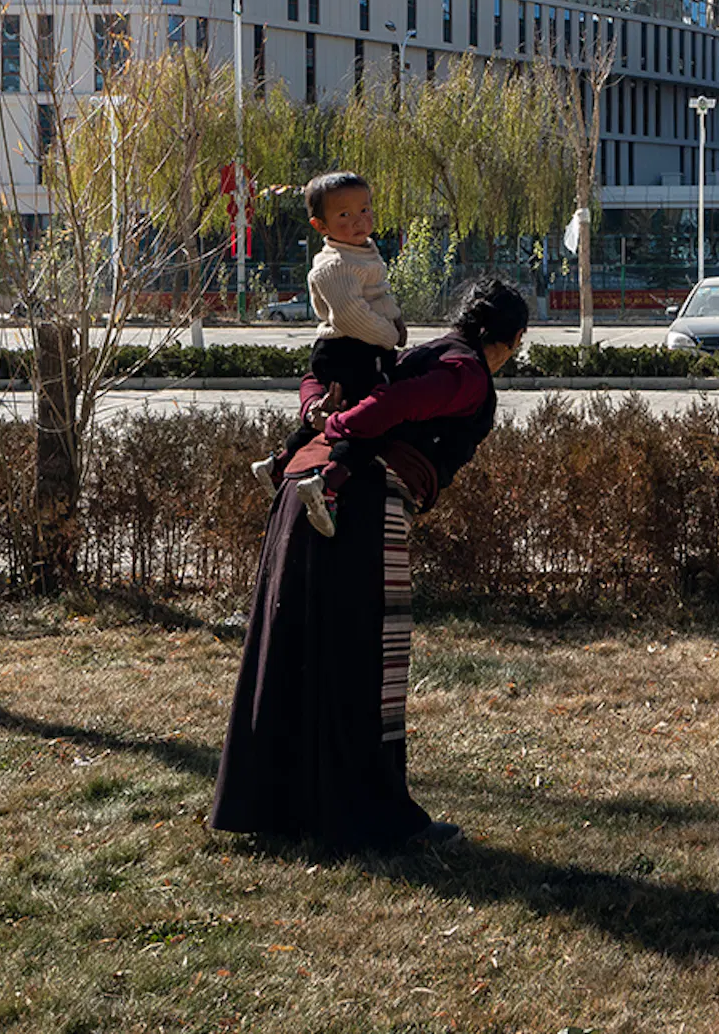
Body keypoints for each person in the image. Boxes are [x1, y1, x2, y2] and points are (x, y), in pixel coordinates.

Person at [208, 279, 528, 854]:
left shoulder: (412, 354)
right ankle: (373, 819)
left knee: (293, 652)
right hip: (362, 508)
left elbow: (325, 375)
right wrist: (341, 429)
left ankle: (275, 807)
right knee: (366, 665)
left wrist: (315, 414)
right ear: (509, 340)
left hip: (303, 490)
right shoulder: (467, 373)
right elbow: (394, 408)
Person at [252, 171, 404, 538]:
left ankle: (279, 463)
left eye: (364, 209)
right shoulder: (334, 265)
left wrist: (396, 316)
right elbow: (352, 317)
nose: (358, 220)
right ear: (320, 225)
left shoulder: (361, 252)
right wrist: (390, 336)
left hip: (357, 345)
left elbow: (377, 296)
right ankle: (328, 485)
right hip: (349, 347)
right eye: (344, 215)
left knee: (337, 415)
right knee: (371, 420)